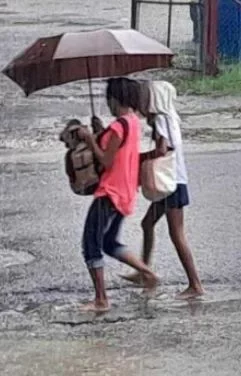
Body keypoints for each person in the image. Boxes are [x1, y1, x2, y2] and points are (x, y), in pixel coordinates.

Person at [77, 77, 159, 312]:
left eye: (109, 99)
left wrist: (90, 139)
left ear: (114, 99)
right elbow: (118, 150)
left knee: (90, 244)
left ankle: (101, 299)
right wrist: (100, 132)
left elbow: (106, 160)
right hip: (125, 191)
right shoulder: (132, 122)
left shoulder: (118, 126)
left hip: (109, 193)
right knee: (109, 242)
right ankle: (147, 272)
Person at [121, 80, 204, 300]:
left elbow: (162, 149)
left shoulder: (160, 120)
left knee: (177, 234)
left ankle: (195, 284)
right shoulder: (170, 118)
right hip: (172, 181)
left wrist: (137, 158)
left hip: (171, 183)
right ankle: (143, 271)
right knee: (147, 223)